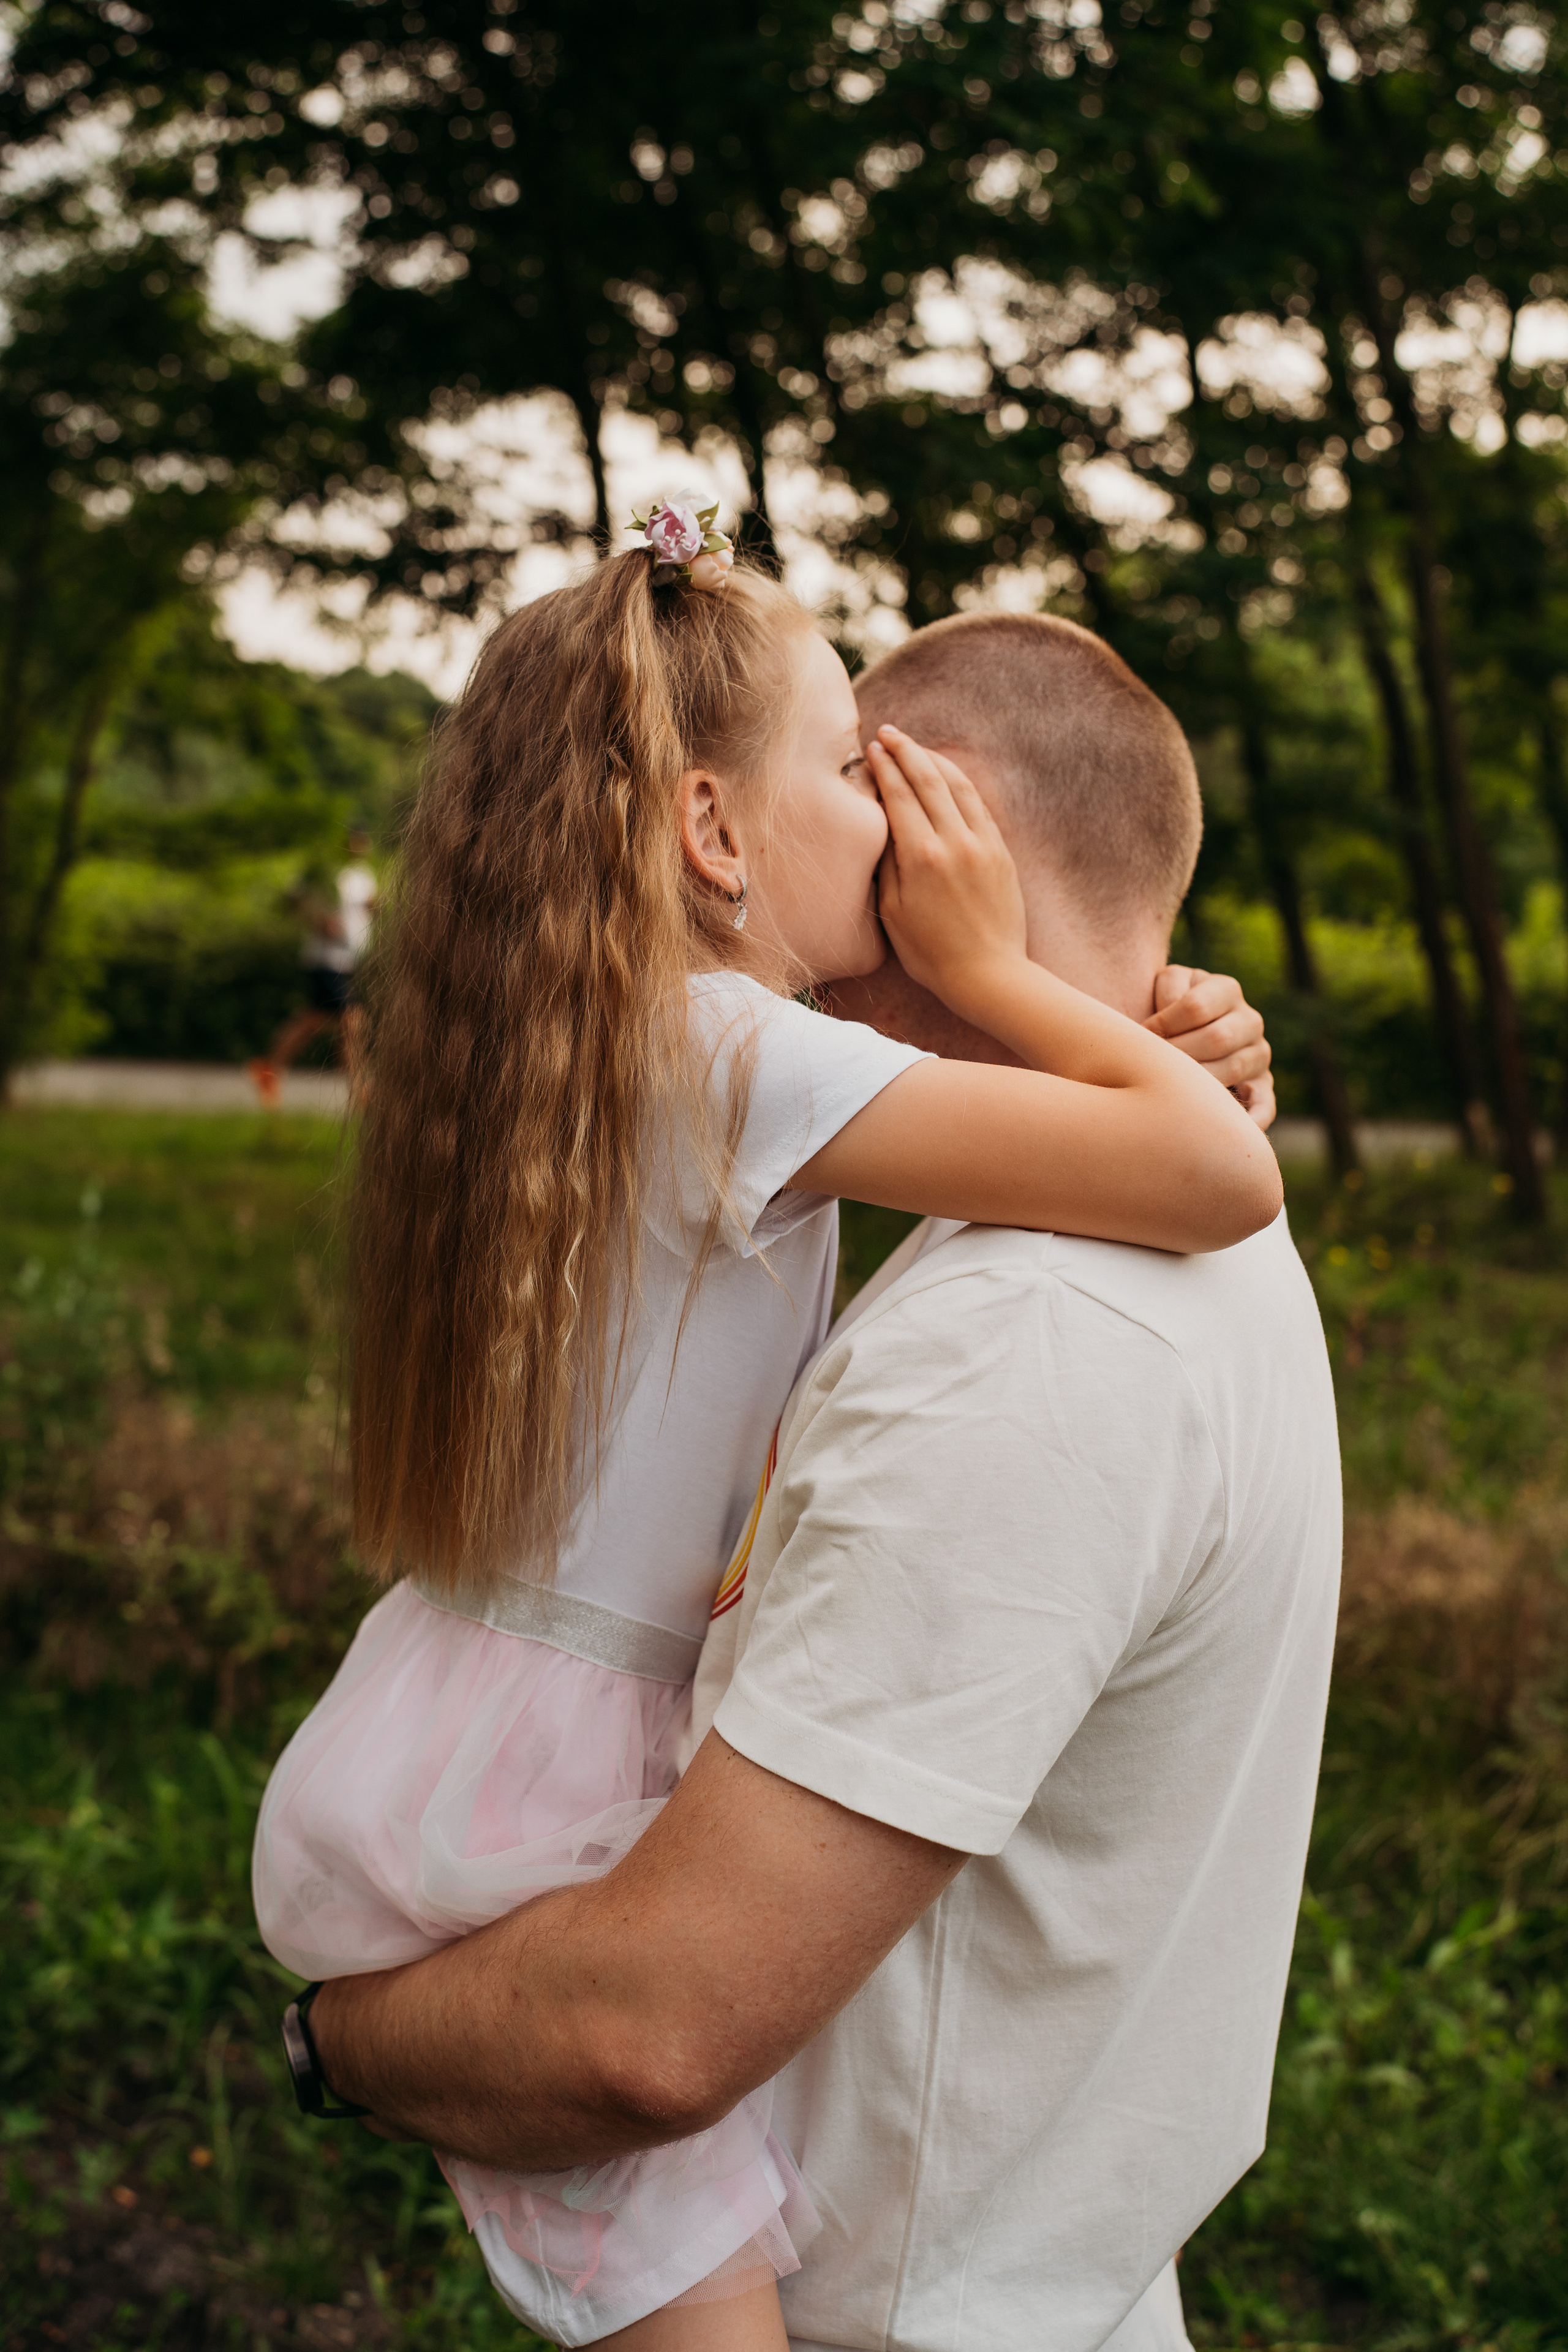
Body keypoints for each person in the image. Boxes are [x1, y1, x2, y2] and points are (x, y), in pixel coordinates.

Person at [252, 513, 1283, 2352]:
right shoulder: (723, 1053)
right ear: (718, 833)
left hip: (471, 1732)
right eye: (847, 772)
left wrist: (1139, 1018)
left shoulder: (660, 1045)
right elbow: (1211, 1177)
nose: (892, 827)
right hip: (544, 1796)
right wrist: (1008, 977)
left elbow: (1115, 1165)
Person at [249, 826, 379, 1104]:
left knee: (312, 1020)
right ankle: (359, 1088)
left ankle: (269, 1069)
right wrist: (318, 919)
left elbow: (364, 908)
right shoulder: (325, 869)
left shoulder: (363, 875)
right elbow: (295, 897)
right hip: (326, 959)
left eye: (363, 840)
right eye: (354, 840)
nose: (359, 846)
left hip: (348, 960)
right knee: (353, 1019)